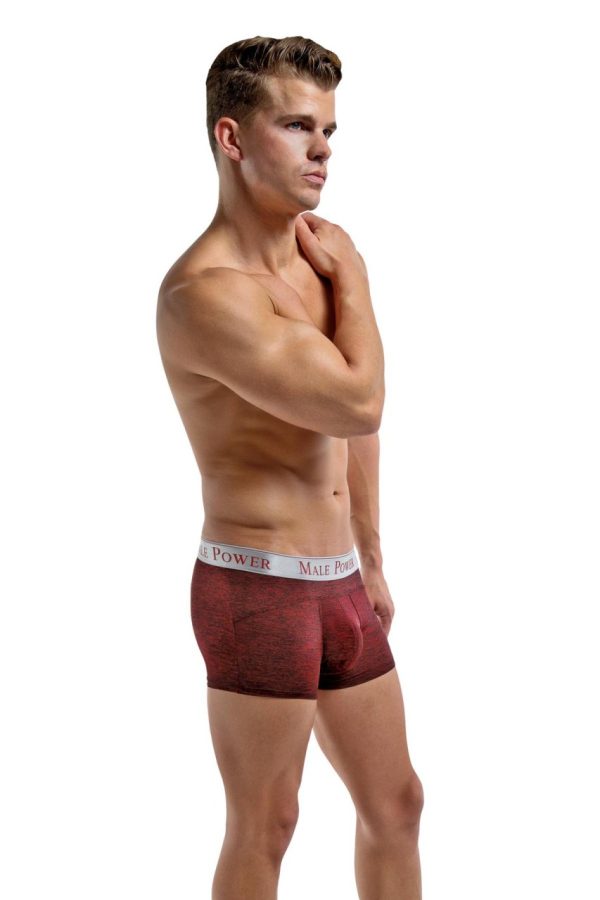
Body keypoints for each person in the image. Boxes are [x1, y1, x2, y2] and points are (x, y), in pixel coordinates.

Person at [156, 34, 424, 900]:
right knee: (267, 823)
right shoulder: (206, 293)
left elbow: (349, 429)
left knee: (397, 804)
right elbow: (358, 400)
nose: (323, 151)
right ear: (232, 137)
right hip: (256, 585)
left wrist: (370, 554)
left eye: (330, 130)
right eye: (298, 126)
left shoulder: (317, 260)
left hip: (339, 581)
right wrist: (358, 281)